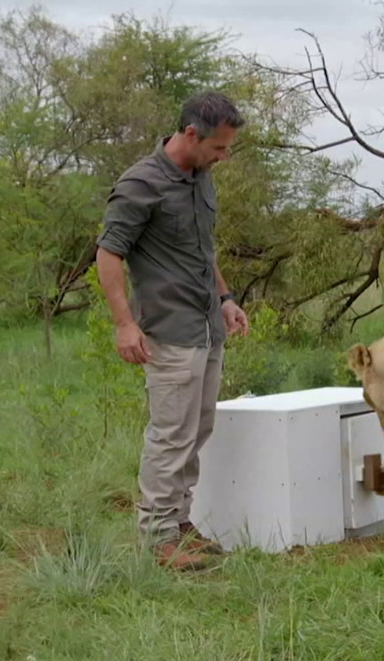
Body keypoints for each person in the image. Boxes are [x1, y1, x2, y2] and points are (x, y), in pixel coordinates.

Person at [94, 91, 250, 570]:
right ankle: (157, 537)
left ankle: (180, 525)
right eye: (219, 148)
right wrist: (125, 325)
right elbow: (109, 253)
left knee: (197, 428)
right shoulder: (141, 184)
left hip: (206, 326)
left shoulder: (201, 179)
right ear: (190, 135)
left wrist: (224, 299)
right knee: (170, 435)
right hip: (169, 329)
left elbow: (203, 250)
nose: (223, 158)